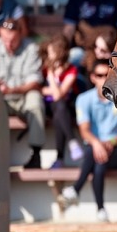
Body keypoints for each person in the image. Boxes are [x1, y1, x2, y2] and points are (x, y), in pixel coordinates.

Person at [58, 60, 117, 222]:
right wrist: (97, 144)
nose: (104, 79)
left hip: (116, 148)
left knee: (96, 156)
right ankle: (100, 209)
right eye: (100, 75)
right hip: (95, 149)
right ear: (93, 77)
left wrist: (111, 142)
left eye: (107, 75)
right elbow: (84, 130)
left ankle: (76, 190)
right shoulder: (84, 99)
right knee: (98, 162)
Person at [0, 17, 45, 168]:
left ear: (20, 35)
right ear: (0, 35)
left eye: (13, 40)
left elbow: (35, 82)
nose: (9, 44)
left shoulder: (31, 48)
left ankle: (36, 153)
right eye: (5, 39)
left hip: (23, 96)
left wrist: (12, 90)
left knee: (35, 101)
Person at [39, 34, 83, 168]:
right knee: (59, 107)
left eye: (51, 52)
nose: (49, 55)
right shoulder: (44, 69)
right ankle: (72, 141)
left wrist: (51, 77)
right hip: (47, 106)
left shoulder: (71, 70)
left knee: (60, 109)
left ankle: (59, 159)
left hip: (65, 107)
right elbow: (40, 89)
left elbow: (59, 95)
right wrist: (51, 75)